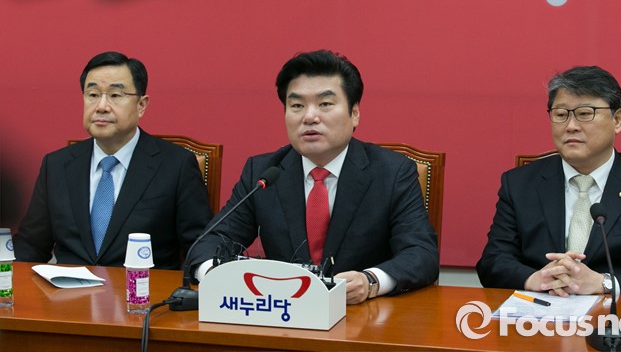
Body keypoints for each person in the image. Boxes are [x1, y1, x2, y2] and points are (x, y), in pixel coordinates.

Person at [189, 49, 439, 304]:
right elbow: (209, 242)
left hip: (362, 314)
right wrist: (217, 277)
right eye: (297, 106)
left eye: (325, 104)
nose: (309, 117)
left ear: (354, 113)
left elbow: (421, 253)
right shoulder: (264, 172)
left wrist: (370, 281)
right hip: (282, 311)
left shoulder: (392, 172)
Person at [476, 66, 621, 298]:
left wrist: (603, 283)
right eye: (561, 114)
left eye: (585, 113)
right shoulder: (519, 184)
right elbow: (492, 262)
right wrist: (535, 279)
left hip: (617, 315)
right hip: (538, 311)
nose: (571, 126)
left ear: (617, 120)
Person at [14, 52, 212, 269]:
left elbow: (199, 245)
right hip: (67, 289)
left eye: (115, 95)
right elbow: (30, 246)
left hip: (143, 288)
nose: (101, 106)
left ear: (141, 105)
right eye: (92, 94)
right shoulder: (56, 165)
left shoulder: (176, 165)